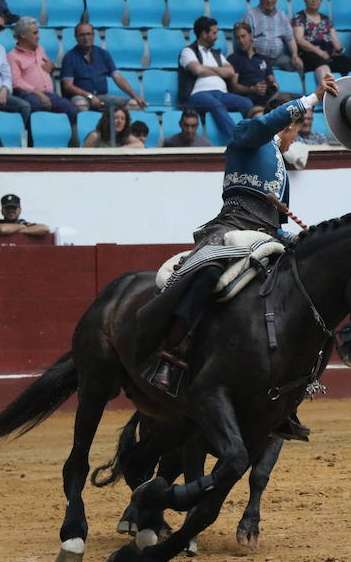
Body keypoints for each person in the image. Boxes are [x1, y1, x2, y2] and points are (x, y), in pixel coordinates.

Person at [142, 75, 340, 441]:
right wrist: (312, 97)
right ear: (289, 123)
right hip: (230, 227)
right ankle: (172, 357)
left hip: (263, 236)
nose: (295, 137)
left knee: (300, 287)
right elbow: (268, 123)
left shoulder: (281, 169)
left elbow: (275, 223)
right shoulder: (250, 133)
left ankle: (286, 394)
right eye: (296, 128)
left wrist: (306, 241)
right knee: (208, 272)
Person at [180, 17, 253, 142]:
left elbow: (230, 72)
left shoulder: (217, 54)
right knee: (215, 104)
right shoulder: (188, 51)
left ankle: (253, 137)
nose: (217, 36)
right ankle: (237, 139)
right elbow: (198, 70)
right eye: (214, 33)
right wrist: (219, 71)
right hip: (197, 95)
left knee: (247, 104)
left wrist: (206, 69)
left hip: (221, 94)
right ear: (204, 34)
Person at [7, 17, 79, 124]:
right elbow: (16, 82)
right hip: (28, 94)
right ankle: (36, 138)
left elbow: (48, 65)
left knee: (71, 109)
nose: (38, 37)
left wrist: (52, 66)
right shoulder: (13, 56)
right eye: (35, 33)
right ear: (23, 35)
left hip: (48, 93)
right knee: (36, 104)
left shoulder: (40, 49)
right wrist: (38, 93)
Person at [61, 22, 147, 112]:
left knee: (135, 104)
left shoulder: (103, 54)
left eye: (88, 34)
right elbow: (68, 86)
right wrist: (89, 96)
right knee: (81, 105)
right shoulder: (69, 57)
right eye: (82, 35)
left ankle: (110, 121)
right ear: (76, 37)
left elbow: (118, 78)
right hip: (81, 97)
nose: (86, 38)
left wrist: (134, 96)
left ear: (94, 35)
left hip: (101, 97)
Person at [292, 0, 351, 84]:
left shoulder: (326, 19)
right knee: (321, 63)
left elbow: (335, 40)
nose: (314, 0)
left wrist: (339, 50)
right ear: (305, 0)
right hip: (309, 54)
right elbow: (299, 40)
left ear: (321, 1)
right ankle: (327, 94)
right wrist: (319, 52)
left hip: (328, 54)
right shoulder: (299, 17)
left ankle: (348, 93)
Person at [243, 0, 304, 72]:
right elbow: (246, 41)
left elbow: (290, 38)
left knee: (298, 66)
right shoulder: (250, 15)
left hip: (278, 58)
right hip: (258, 58)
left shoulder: (282, 15)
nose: (269, 0)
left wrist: (295, 55)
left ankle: (298, 83)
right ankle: (324, 83)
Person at [227, 22, 279, 107]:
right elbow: (234, 87)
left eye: (243, 36)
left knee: (294, 102)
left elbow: (272, 80)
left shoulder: (263, 58)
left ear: (251, 36)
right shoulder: (233, 59)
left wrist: (273, 85)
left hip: (267, 97)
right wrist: (252, 89)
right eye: (237, 38)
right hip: (248, 98)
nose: (241, 41)